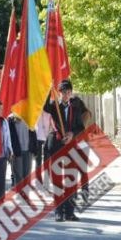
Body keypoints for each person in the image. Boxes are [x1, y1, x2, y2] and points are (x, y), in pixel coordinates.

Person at [44, 79, 85, 222]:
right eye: (63, 92)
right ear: (59, 93)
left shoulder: (76, 108)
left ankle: (69, 212)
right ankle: (58, 211)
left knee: (71, 180)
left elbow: (81, 127)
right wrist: (49, 90)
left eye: (68, 92)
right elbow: (44, 106)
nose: (66, 95)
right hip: (56, 146)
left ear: (71, 93)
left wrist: (72, 134)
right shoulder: (54, 106)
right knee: (57, 181)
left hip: (71, 147)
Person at [9, 116, 31, 185]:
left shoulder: (29, 116)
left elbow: (34, 131)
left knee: (27, 175)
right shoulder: (11, 119)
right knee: (18, 175)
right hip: (17, 151)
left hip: (28, 150)